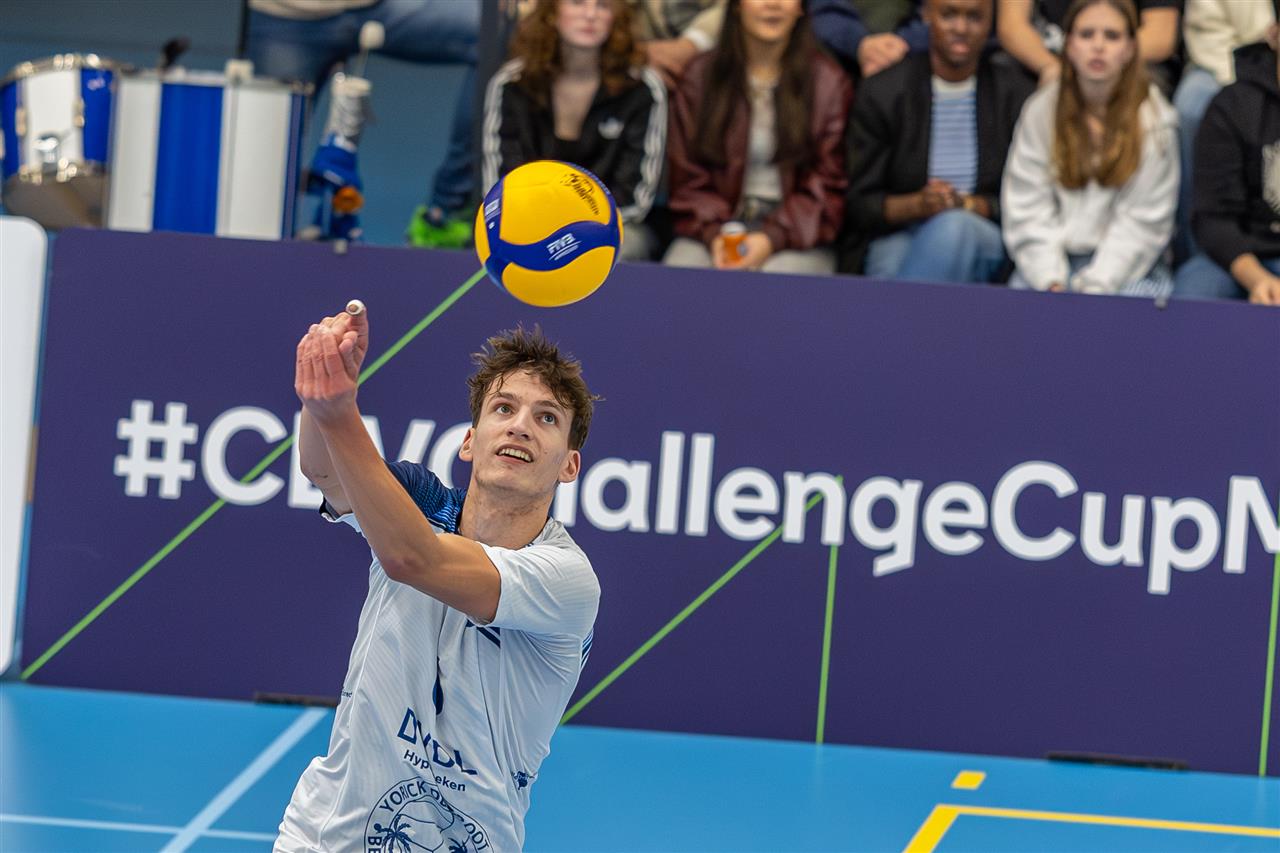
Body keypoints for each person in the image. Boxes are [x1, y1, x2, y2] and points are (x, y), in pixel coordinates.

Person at [277, 310, 601, 852]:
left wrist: (340, 413)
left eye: (546, 417)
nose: (520, 425)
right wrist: (320, 394)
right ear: (470, 441)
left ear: (569, 466)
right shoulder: (418, 502)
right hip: (325, 837)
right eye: (504, 408)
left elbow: (413, 558)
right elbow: (325, 471)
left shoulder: (567, 580)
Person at [245, 0, 480, 248]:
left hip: (380, 7)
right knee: (261, 184)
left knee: (500, 31)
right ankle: (263, 251)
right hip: (287, 14)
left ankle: (443, 216)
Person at [844, 0, 1033, 281]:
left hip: (984, 232)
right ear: (927, 15)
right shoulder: (884, 92)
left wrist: (965, 205)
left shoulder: (1015, 95)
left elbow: (1029, 201)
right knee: (889, 266)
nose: (961, 28)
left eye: (974, 17)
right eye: (948, 15)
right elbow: (860, 204)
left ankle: (899, 313)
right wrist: (918, 205)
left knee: (953, 228)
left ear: (990, 22)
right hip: (899, 230)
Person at [1001, 0, 1179, 295]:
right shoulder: (1040, 110)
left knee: (1126, 311)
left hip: (1130, 269)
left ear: (1130, 48)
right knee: (1021, 309)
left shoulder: (1156, 119)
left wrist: (1096, 287)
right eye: (1086, 35)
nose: (1098, 46)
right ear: (1068, 45)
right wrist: (1049, 278)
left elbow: (1143, 224)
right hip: (1050, 261)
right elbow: (1026, 205)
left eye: (1112, 36)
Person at [664, 0, 853, 274]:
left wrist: (771, 239)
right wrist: (717, 235)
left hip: (798, 235)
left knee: (777, 285)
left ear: (801, 7)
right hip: (713, 228)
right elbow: (687, 179)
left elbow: (827, 186)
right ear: (737, 6)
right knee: (679, 275)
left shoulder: (829, 82)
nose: (773, 4)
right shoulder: (700, 76)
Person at [482, 0, 667, 261]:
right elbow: (499, 185)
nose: (590, 14)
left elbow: (635, 197)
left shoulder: (642, 88)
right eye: (578, 2)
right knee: (498, 243)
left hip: (609, 228)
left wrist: (573, 235)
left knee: (626, 247)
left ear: (616, 18)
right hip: (528, 221)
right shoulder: (512, 83)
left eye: (602, 5)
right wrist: (543, 230)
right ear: (552, 13)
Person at [1173, 26, 1280, 305]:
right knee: (1193, 296)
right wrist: (1258, 280)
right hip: (1240, 257)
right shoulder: (1232, 106)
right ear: (1275, 34)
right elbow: (1212, 218)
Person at [996, 0, 1181, 94]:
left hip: (1122, 62)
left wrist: (1099, 62)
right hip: (1047, 61)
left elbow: (1160, 37)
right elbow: (1012, 27)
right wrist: (1050, 66)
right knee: (1006, 79)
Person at [810, 0, 928, 78]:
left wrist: (900, 44)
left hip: (913, 58)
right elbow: (823, 12)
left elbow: (936, 15)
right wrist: (860, 44)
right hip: (842, 61)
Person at [629, 0, 728, 86]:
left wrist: (693, 42)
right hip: (645, 63)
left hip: (717, 56)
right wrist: (635, 51)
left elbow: (731, 7)